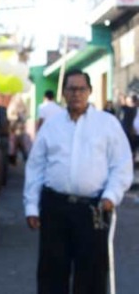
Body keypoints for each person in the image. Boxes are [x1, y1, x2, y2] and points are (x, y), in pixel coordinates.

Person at [24, 69, 133, 294]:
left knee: (91, 275)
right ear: (63, 93)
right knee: (52, 273)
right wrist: (32, 207)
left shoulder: (107, 124)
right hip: (55, 208)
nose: (76, 94)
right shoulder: (52, 126)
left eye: (81, 89)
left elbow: (121, 165)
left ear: (90, 91)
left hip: (93, 209)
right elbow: (35, 167)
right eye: (71, 89)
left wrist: (111, 196)